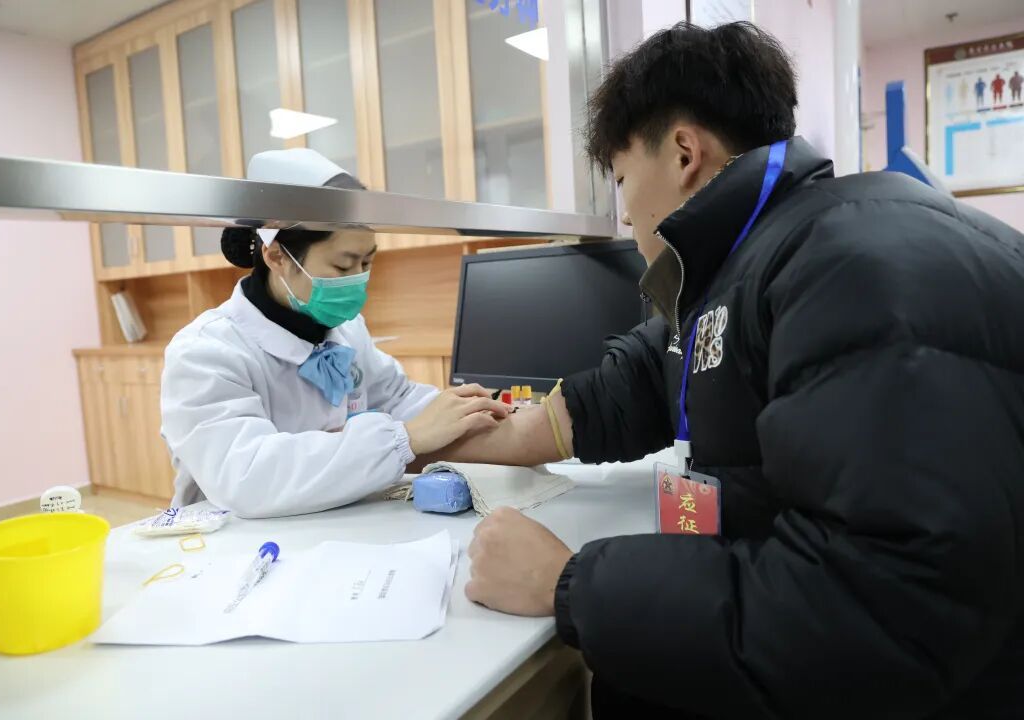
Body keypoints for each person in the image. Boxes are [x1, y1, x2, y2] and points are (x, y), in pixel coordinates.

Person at [444, 22, 1024, 718]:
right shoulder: (770, 256)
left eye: (622, 180)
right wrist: (448, 440)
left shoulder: (852, 269)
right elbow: (642, 379)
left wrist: (567, 583)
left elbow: (881, 611)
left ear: (684, 152)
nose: (625, 215)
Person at [161, 149, 509, 518]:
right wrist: (404, 439)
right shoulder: (205, 351)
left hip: (331, 522)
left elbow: (395, 397)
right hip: (230, 539)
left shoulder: (346, 330)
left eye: (367, 262)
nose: (359, 279)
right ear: (276, 256)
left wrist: (460, 411)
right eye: (343, 266)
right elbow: (248, 478)